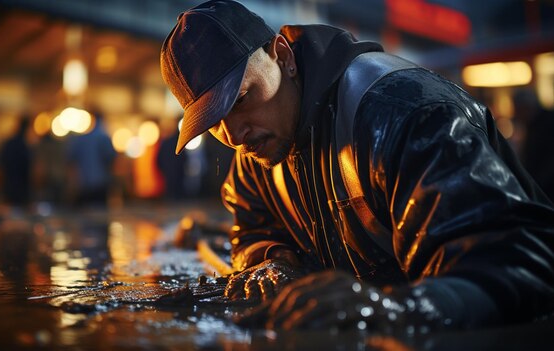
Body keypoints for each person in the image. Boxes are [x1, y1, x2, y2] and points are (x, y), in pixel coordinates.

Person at [160, 0, 554, 332]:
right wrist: (273, 260)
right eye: (214, 122)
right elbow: (251, 230)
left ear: (282, 55)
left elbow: (522, 266)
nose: (234, 134)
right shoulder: (256, 148)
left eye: (241, 98)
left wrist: (391, 309)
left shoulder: (405, 114)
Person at [66, 111, 116, 207]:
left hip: (83, 183)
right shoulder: (103, 137)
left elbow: (70, 159)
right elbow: (110, 158)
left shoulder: (81, 139)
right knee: (99, 214)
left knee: (85, 213)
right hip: (100, 183)